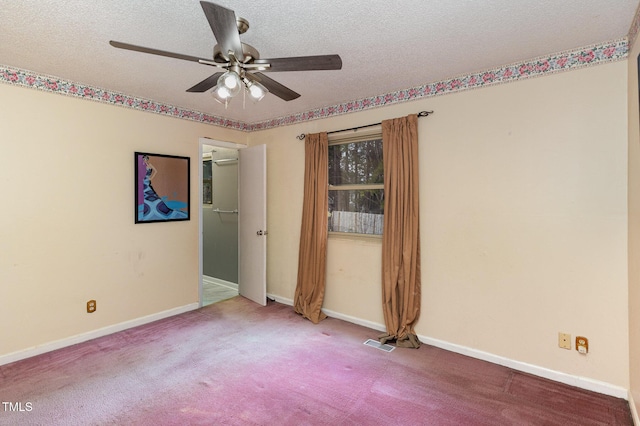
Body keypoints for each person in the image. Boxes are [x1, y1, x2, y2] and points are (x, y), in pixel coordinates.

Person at [139, 155, 188, 221]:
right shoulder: (142, 165)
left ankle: (154, 208)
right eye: (143, 159)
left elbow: (155, 171)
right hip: (142, 180)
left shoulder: (149, 164)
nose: (144, 160)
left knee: (149, 192)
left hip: (147, 180)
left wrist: (151, 178)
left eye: (145, 159)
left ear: (147, 159)